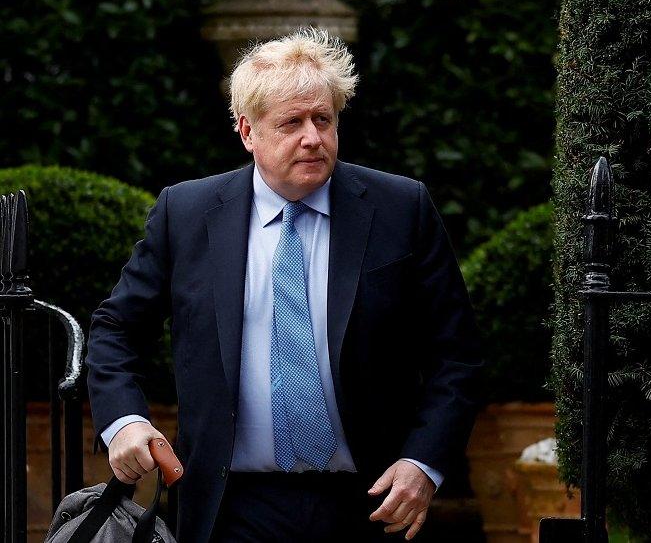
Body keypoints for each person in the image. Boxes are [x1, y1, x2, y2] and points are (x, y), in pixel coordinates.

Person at [85, 27, 483, 542]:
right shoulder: (187, 214)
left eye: (324, 119)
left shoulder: (399, 209)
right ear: (248, 132)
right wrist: (125, 421)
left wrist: (423, 462)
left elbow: (458, 354)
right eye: (291, 122)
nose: (313, 137)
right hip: (229, 507)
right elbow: (115, 328)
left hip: (374, 503)